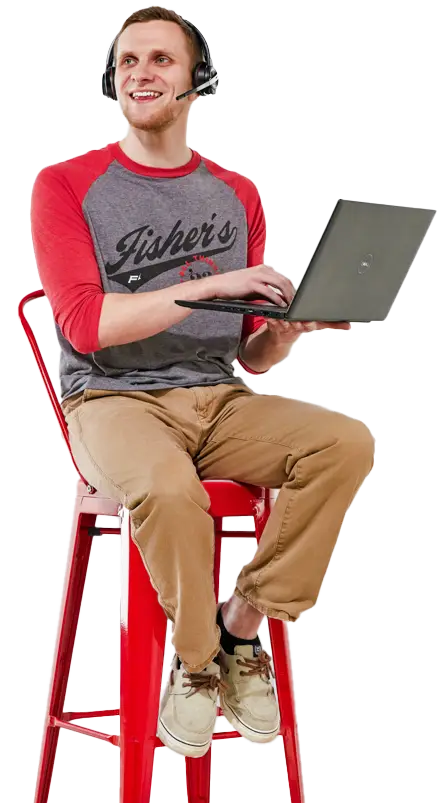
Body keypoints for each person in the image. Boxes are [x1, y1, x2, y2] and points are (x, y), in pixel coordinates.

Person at [30, 5, 376, 760]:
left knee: (343, 442)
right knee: (170, 487)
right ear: (110, 79)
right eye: (127, 61)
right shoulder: (65, 186)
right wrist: (217, 283)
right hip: (112, 400)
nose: (140, 74)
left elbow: (244, 357)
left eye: (160, 59)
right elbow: (85, 324)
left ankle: (239, 626)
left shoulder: (237, 194)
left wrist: (274, 336)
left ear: (198, 80)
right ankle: (192, 666)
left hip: (215, 398)